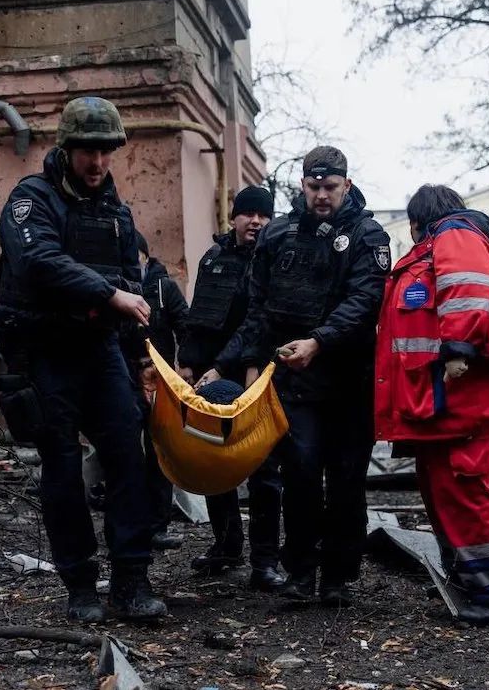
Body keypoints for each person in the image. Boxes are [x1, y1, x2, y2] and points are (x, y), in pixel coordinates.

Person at [0, 95, 166, 623]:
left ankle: (132, 580)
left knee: (129, 459)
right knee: (63, 470)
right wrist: (107, 295)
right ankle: (81, 586)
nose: (97, 162)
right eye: (88, 150)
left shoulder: (115, 211)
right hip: (46, 353)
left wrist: (141, 363)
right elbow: (38, 262)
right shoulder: (32, 200)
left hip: (101, 350)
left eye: (106, 151)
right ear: (67, 149)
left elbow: (134, 288)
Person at [198, 146, 390, 605]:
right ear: (301, 184)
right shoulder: (279, 235)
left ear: (346, 184)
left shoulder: (368, 236)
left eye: (330, 187)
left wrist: (319, 341)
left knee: (345, 479)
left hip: (348, 381)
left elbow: (366, 302)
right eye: (314, 186)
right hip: (294, 382)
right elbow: (257, 310)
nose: (322, 196)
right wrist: (222, 364)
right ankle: (301, 572)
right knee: (300, 476)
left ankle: (339, 576)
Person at [374, 184, 489, 626]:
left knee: (463, 492)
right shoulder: (450, 241)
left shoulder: (453, 236)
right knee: (445, 491)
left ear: (416, 221)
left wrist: (459, 350)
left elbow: (465, 291)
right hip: (445, 405)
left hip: (463, 403)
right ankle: (469, 577)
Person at [177, 185, 284, 591]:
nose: (255, 221)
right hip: (208, 376)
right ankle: (226, 544)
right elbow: (198, 313)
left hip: (251, 375)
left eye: (263, 215)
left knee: (263, 469)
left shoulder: (274, 258)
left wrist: (225, 367)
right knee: (212, 462)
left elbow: (259, 322)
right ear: (234, 218)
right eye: (247, 214)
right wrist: (188, 361)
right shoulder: (213, 258)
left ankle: (265, 560)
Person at [133, 231, 189, 550]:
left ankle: (158, 524)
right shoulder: (116, 287)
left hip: (161, 383)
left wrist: (185, 365)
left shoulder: (163, 288)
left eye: (135, 257)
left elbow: (186, 325)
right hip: (127, 380)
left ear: (145, 256)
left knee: (159, 452)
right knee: (127, 450)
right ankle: (133, 521)